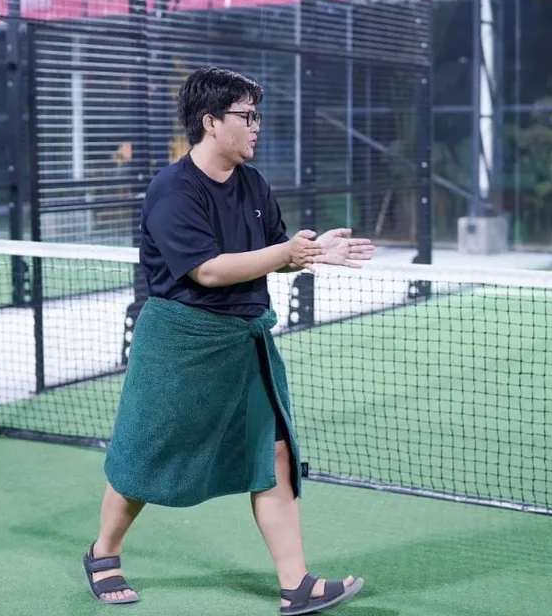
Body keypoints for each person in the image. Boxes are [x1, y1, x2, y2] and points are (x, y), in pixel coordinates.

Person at [83, 66, 375, 614]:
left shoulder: (254, 184)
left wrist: (311, 255)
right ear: (211, 122)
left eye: (257, 115)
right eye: (247, 115)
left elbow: (268, 255)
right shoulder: (172, 190)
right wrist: (287, 252)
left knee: (274, 452)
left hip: (245, 343)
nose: (256, 125)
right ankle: (103, 553)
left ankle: (296, 583)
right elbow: (209, 270)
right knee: (146, 456)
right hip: (180, 345)